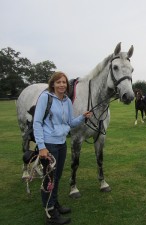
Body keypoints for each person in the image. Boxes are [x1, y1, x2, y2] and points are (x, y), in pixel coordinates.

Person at [33, 71, 92, 224]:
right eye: (58, 82)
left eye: (64, 82)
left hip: (61, 143)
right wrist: (41, 147)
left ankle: (54, 204)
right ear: (53, 84)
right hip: (49, 144)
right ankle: (50, 213)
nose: (61, 85)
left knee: (56, 177)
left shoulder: (66, 101)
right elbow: (37, 123)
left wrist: (83, 117)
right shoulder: (46, 98)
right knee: (49, 178)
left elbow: (70, 123)